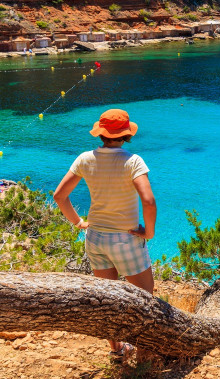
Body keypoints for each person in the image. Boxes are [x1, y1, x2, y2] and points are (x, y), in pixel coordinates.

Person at [53, 108, 157, 358]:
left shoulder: (85, 159)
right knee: (145, 298)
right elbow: (149, 201)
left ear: (101, 133)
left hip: (96, 238)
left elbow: (59, 196)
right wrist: (149, 232)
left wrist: (78, 222)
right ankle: (145, 352)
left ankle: (117, 348)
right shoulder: (133, 161)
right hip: (127, 238)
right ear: (126, 134)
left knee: (107, 299)